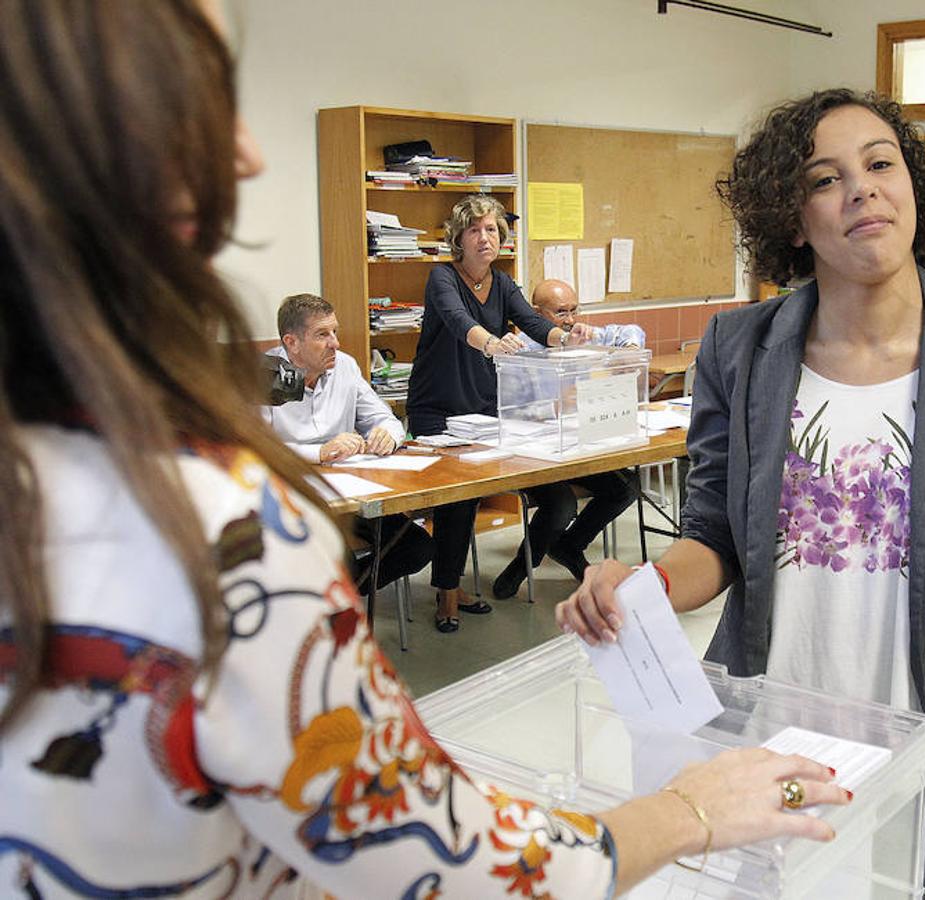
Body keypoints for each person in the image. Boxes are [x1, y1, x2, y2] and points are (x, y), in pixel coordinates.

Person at [0, 2, 852, 896]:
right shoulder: (212, 528)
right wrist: (692, 810)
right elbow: (447, 861)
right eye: (202, 97)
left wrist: (562, 339)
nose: (246, 153)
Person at [560, 87, 925, 899]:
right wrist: (639, 584)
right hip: (765, 743)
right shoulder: (740, 346)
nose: (860, 187)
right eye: (825, 179)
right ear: (792, 221)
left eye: (880, 163)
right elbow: (712, 532)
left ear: (916, 186)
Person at [404, 195, 584, 630]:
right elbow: (455, 319)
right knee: (458, 499)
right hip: (438, 410)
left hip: (484, 409)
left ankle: (455, 583)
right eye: (474, 231)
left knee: (538, 494)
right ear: (458, 239)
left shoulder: (502, 283)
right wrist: (491, 342)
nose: (485, 238)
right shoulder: (442, 277)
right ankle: (447, 591)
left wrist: (563, 337)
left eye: (491, 230)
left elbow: (532, 321)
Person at [262, 293, 433, 589]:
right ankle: (336, 600)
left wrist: (387, 436)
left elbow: (386, 419)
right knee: (336, 560)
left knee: (418, 547)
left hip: (348, 493)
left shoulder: (345, 365)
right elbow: (257, 449)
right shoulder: (263, 375)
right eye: (322, 335)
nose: (335, 344)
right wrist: (321, 452)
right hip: (294, 494)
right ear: (291, 343)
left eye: (335, 332)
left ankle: (346, 594)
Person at [491, 279, 643, 598]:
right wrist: (557, 405)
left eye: (574, 310)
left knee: (626, 487)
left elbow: (630, 331)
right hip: (534, 453)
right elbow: (512, 411)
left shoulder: (577, 337)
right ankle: (522, 565)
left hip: (577, 447)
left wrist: (629, 350)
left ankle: (569, 545)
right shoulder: (520, 351)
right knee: (561, 504)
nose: (570, 320)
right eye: (561, 312)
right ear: (536, 313)